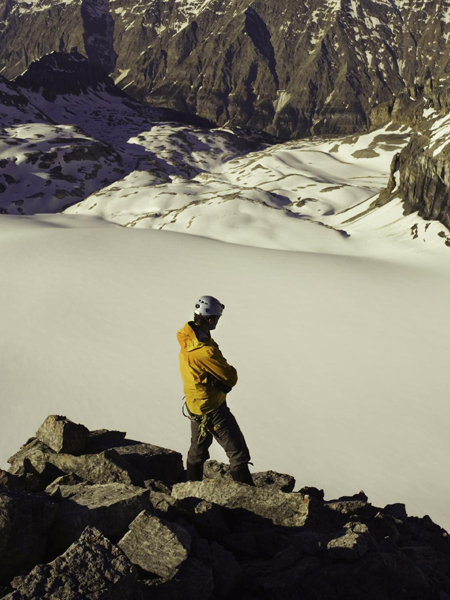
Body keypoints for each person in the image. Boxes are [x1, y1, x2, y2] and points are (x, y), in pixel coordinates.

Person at [177, 295, 254, 485]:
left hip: (195, 406)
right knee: (238, 453)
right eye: (217, 318)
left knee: (198, 451)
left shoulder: (186, 337)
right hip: (213, 409)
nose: (218, 322)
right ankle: (246, 498)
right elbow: (230, 377)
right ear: (210, 319)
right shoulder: (205, 351)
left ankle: (190, 489)